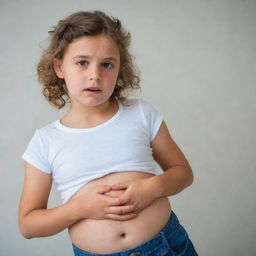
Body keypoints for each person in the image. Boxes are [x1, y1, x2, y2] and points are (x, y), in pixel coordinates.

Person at [18, 10, 198, 256]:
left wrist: (150, 189)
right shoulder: (45, 141)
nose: (95, 75)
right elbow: (28, 225)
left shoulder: (141, 114)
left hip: (167, 246)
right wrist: (80, 208)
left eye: (107, 64)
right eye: (82, 62)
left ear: (119, 68)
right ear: (59, 67)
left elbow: (183, 173)